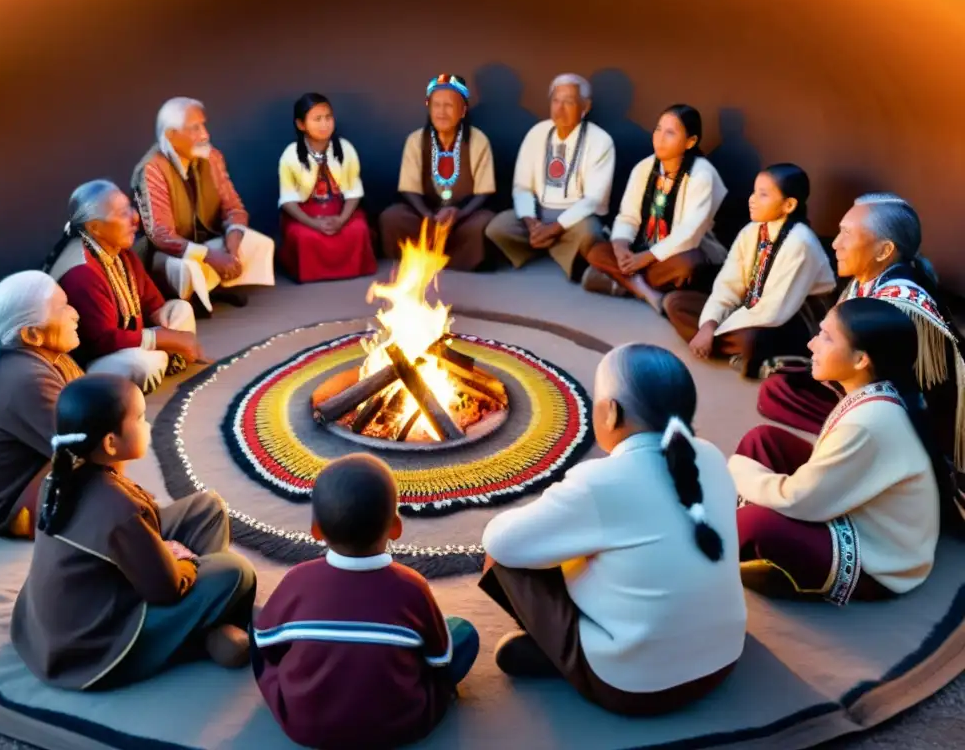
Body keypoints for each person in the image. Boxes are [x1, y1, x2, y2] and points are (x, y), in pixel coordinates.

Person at [480, 344, 745, 715]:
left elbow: (500, 541)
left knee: (503, 556)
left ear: (612, 412)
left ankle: (566, 656)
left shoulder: (598, 483)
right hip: (724, 658)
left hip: (634, 686)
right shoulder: (713, 457)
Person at [11, 374, 257, 690]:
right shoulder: (116, 508)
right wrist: (183, 561)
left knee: (207, 509)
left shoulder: (63, 475)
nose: (147, 423)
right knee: (235, 571)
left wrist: (163, 552)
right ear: (110, 443)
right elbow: (166, 588)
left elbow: (130, 527)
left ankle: (204, 621)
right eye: (140, 418)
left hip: (98, 589)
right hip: (94, 643)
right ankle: (209, 628)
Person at [757, 194, 965, 522]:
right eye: (838, 232)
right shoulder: (868, 281)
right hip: (864, 391)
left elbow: (905, 401)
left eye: (847, 234)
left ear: (884, 250)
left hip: (903, 422)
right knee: (777, 390)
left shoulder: (902, 305)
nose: (835, 243)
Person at [252, 454, 479, 749]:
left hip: (305, 726)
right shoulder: (413, 588)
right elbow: (439, 659)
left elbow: (267, 645)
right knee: (463, 633)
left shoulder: (297, 581)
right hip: (400, 727)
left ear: (316, 530)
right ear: (396, 527)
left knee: (261, 624)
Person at [731, 298, 944, 604]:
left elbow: (797, 498)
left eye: (827, 337)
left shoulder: (868, 423)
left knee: (754, 521)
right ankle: (761, 549)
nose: (811, 343)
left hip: (880, 563)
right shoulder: (874, 391)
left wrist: (739, 471)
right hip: (851, 506)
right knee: (761, 440)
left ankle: (741, 544)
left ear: (861, 360)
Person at [663, 164, 835, 378]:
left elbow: (774, 310)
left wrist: (715, 329)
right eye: (754, 191)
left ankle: (749, 352)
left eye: (763, 195)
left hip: (793, 316)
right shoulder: (751, 231)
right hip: (750, 308)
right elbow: (729, 286)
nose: (751, 199)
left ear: (789, 205)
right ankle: (744, 355)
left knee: (752, 340)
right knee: (675, 303)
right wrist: (709, 325)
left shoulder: (801, 242)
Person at [0, 271, 83, 538]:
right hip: (7, 510)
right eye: (62, 308)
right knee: (105, 455)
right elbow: (86, 443)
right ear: (32, 334)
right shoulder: (27, 379)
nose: (75, 313)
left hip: (4, 495)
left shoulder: (46, 359)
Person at [44, 180, 204, 394]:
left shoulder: (121, 252)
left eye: (130, 207)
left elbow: (151, 302)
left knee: (180, 310)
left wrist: (165, 327)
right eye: (122, 213)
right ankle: (165, 356)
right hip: (90, 360)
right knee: (142, 365)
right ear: (95, 227)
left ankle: (166, 354)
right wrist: (165, 338)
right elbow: (101, 341)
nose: (135, 217)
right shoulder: (80, 273)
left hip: (126, 340)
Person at [131, 96, 275, 313]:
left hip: (209, 240)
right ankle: (190, 300)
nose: (205, 135)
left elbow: (234, 208)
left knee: (257, 243)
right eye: (194, 128)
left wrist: (231, 247)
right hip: (170, 253)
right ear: (171, 135)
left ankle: (218, 286)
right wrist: (210, 256)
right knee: (187, 268)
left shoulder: (212, 157)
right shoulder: (152, 169)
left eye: (203, 126)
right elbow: (161, 235)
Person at [584, 104, 727, 312]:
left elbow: (690, 234)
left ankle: (623, 283)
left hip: (675, 255)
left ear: (690, 142)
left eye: (670, 133)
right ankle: (650, 294)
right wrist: (621, 247)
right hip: (640, 250)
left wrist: (645, 259)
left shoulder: (701, 174)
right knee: (596, 251)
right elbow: (628, 217)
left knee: (688, 264)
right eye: (658, 129)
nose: (660, 138)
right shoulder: (644, 168)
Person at [485, 73, 615, 281]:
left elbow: (593, 200)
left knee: (590, 234)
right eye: (555, 101)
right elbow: (522, 186)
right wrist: (531, 223)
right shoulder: (537, 132)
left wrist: (554, 229)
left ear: (586, 107)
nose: (559, 108)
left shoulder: (600, 140)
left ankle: (552, 246)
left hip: (575, 219)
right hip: (538, 213)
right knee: (497, 228)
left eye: (569, 102)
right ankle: (550, 246)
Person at [379, 74, 496, 272]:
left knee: (484, 224)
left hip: (463, 216)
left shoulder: (478, 140)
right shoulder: (416, 140)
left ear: (463, 110)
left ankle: (449, 260)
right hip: (425, 213)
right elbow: (409, 189)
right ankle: (421, 257)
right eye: (436, 105)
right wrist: (428, 216)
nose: (441, 112)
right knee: (392, 217)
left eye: (449, 105)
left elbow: (484, 191)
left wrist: (458, 214)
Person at [278, 93, 376, 283]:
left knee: (358, 229)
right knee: (303, 237)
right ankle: (311, 274)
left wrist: (341, 219)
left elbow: (354, 191)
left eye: (328, 117)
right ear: (301, 124)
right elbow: (288, 199)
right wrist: (313, 223)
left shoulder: (345, 148)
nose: (324, 124)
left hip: (340, 210)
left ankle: (352, 270)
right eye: (317, 119)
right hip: (306, 214)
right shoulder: (290, 154)